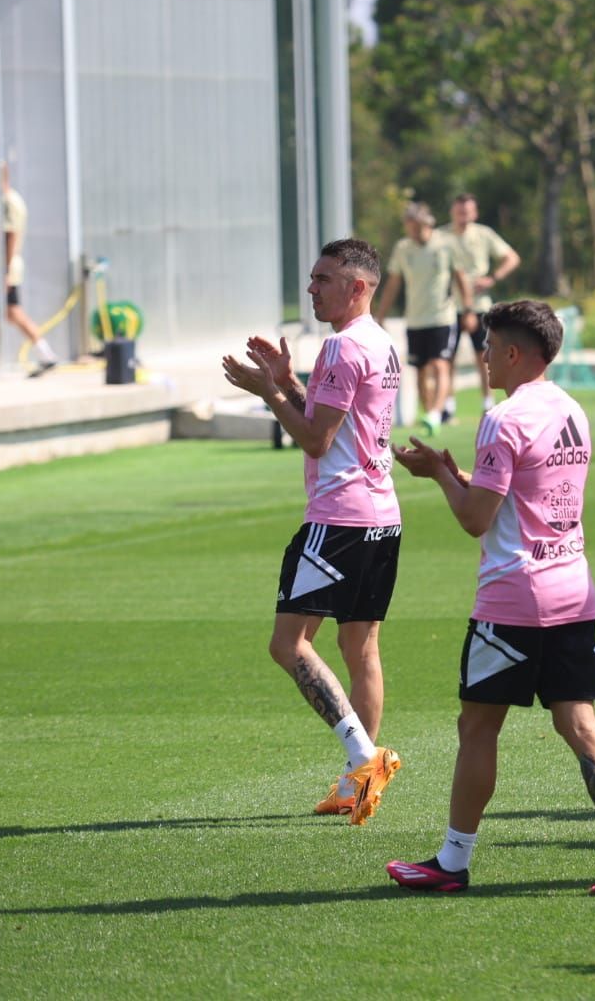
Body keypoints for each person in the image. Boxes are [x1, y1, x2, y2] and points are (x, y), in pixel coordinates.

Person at [385, 300, 595, 896]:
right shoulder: (572, 410)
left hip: (513, 598)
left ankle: (452, 861)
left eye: (488, 347)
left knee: (477, 726)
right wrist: (463, 476)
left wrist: (440, 478)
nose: (481, 358)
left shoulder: (504, 418)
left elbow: (478, 519)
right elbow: (529, 493)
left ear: (511, 353)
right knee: (579, 721)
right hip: (573, 589)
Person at [221, 238, 403, 825]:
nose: (312, 288)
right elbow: (332, 419)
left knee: (287, 643)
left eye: (324, 279)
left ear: (358, 286)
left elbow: (315, 440)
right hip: (382, 518)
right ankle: (360, 785)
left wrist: (266, 391)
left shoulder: (340, 347)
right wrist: (288, 380)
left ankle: (364, 756)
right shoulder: (379, 344)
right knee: (361, 648)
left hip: (339, 518)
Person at [378, 203, 475, 436]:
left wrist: (469, 309)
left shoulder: (446, 244)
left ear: (426, 224)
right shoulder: (403, 248)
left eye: (415, 226)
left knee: (441, 364)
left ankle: (436, 413)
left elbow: (460, 278)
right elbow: (393, 283)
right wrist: (380, 314)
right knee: (420, 370)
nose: (411, 231)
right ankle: (430, 412)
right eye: (408, 227)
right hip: (415, 320)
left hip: (442, 316)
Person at [440, 193, 521, 417]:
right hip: (448, 307)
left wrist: (492, 278)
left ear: (474, 213)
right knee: (447, 359)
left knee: (485, 355)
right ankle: (448, 407)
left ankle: (487, 403)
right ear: (452, 212)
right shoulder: (441, 236)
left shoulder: (484, 234)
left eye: (467, 212)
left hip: (480, 305)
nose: (463, 216)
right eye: (459, 211)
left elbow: (512, 258)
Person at [1, 164, 59, 376]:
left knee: (13, 311)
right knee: (8, 313)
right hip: (9, 264)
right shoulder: (13, 200)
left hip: (7, 266)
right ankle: (44, 353)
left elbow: (11, 235)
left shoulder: (8, 202)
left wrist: (5, 271)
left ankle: (46, 353)